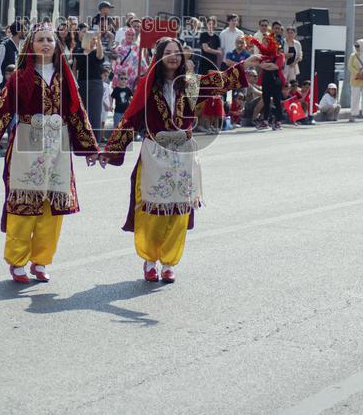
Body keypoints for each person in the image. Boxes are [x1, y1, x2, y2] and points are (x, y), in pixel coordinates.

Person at [99, 37, 255, 283]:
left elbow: (220, 82)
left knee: (178, 212)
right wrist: (111, 149)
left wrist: (247, 64)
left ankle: (170, 262)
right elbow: (131, 119)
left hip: (183, 155)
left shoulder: (190, 84)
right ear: (158, 56)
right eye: (167, 52)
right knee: (152, 210)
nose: (173, 56)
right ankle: (150, 260)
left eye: (177, 52)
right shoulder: (147, 85)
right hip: (155, 154)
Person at [0, 23, 98, 283]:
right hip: (27, 145)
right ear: (30, 45)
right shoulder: (21, 77)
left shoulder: (65, 78)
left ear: (56, 46)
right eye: (40, 39)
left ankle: (41, 261)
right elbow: (2, 109)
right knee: (24, 204)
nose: (45, 44)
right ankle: (17, 261)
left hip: (58, 147)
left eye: (50, 40)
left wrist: (89, 147)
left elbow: (77, 114)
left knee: (51, 208)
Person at [72, 25, 106, 141]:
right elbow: (74, 69)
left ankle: (94, 141)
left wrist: (99, 40)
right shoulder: (78, 52)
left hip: (95, 85)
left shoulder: (97, 51)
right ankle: (82, 140)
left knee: (95, 114)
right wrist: (74, 83)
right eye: (92, 40)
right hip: (81, 84)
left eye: (94, 40)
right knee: (82, 113)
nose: (93, 42)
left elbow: (100, 56)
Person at [0, 21, 25, 86]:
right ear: (18, 31)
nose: (25, 32)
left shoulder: (22, 47)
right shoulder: (3, 46)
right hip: (4, 85)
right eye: (23, 30)